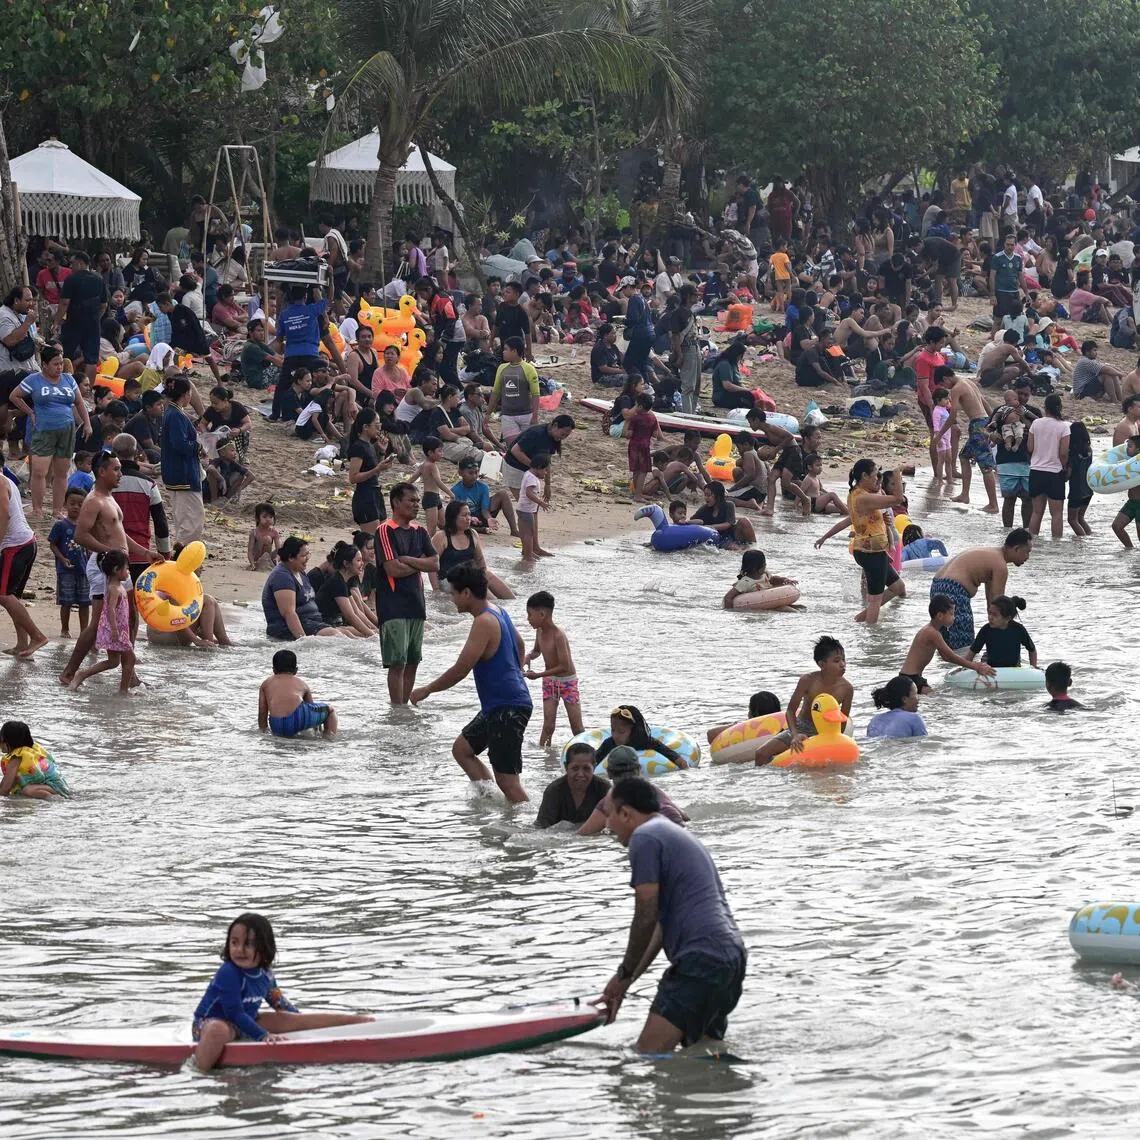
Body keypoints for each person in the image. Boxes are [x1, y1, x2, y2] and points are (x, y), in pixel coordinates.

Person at [598, 776, 746, 1053]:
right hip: (729, 958)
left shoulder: (644, 837)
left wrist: (624, 971)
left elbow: (645, 914)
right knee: (705, 1055)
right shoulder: (669, 832)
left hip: (700, 961)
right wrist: (627, 980)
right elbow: (660, 927)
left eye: (608, 815)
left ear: (626, 813)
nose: (607, 826)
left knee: (645, 1055)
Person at [410, 563, 532, 802]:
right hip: (500, 705)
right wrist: (515, 673)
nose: (452, 599)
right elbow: (520, 644)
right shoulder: (498, 610)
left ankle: (531, 827)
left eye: (454, 593)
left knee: (508, 780)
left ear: (466, 593)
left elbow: (461, 669)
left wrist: (427, 690)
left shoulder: (484, 622)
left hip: (507, 708)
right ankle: (491, 802)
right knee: (462, 750)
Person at [191, 912, 372, 1071]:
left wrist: (298, 1021)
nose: (239, 950)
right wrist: (263, 1036)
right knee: (218, 1030)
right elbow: (234, 1013)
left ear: (264, 947)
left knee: (286, 1017)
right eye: (234, 942)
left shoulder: (265, 973)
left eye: (248, 944)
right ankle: (199, 1071)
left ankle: (352, 1021)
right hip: (210, 1024)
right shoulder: (228, 972)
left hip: (245, 1020)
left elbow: (279, 1003)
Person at [10, 345, 93, 517]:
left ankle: (57, 510)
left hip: (67, 429)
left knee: (61, 473)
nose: (59, 367)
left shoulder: (68, 379)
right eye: (55, 364)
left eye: (61, 363)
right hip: (43, 429)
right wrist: (30, 412)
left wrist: (87, 423)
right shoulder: (34, 380)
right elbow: (14, 396)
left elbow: (78, 403)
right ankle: (37, 509)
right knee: (39, 471)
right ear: (45, 364)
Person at [375, 483, 439, 704]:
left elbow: (435, 563)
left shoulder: (420, 531)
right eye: (411, 501)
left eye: (417, 501)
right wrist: (421, 563)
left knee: (413, 661)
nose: (416, 505)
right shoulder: (385, 530)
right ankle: (397, 707)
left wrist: (409, 560)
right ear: (395, 503)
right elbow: (392, 568)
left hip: (416, 604)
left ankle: (402, 710)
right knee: (397, 662)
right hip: (393, 605)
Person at [754, 636, 853, 764]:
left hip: (826, 731)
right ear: (822, 664)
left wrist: (833, 740)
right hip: (802, 727)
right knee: (761, 753)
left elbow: (842, 720)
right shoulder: (808, 681)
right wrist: (795, 735)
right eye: (836, 661)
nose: (842, 664)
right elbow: (790, 711)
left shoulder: (847, 689)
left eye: (844, 660)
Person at [929, 528, 1033, 649]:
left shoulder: (992, 555)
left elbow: (992, 605)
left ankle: (944, 668)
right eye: (1027, 552)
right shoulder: (1000, 565)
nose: (1028, 557)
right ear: (1016, 549)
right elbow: (999, 609)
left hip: (937, 585)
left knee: (944, 641)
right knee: (963, 644)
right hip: (953, 590)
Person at [844, 458, 904, 625]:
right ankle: (872, 637)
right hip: (870, 553)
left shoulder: (859, 493)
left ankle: (858, 619)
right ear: (864, 476)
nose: (878, 478)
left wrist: (878, 485)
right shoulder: (862, 498)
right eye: (875, 475)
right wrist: (898, 473)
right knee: (875, 600)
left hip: (874, 551)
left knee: (898, 588)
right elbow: (898, 498)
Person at [932, 371, 1000, 513]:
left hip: (977, 426)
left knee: (986, 466)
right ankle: (965, 494)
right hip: (983, 422)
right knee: (964, 456)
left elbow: (952, 417)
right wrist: (993, 423)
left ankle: (993, 504)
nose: (946, 388)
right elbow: (985, 402)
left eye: (943, 384)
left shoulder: (957, 388)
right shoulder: (968, 382)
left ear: (945, 377)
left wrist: (938, 436)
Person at [67, 549, 134, 693]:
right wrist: (115, 630)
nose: (128, 571)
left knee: (113, 661)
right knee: (129, 658)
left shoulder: (119, 587)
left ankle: (82, 674)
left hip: (119, 630)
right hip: (115, 630)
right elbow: (110, 609)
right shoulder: (114, 589)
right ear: (117, 570)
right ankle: (123, 692)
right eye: (126, 568)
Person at [899, 593, 995, 692]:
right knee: (939, 700)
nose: (954, 617)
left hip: (913, 678)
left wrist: (964, 666)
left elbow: (945, 657)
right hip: (910, 678)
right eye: (951, 614)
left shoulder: (934, 630)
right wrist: (976, 666)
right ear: (940, 615)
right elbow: (951, 655)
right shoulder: (931, 632)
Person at [523, 590, 583, 747]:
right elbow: (537, 651)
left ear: (542, 614)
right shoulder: (539, 631)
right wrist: (528, 657)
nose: (528, 619)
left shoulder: (558, 635)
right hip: (550, 683)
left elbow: (565, 666)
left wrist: (539, 675)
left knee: (577, 729)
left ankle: (589, 756)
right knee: (548, 726)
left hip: (568, 683)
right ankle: (544, 759)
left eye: (530, 615)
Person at [0, 461, 47, 659]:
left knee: (3, 595)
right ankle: (22, 644)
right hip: (26, 543)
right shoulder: (7, 480)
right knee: (12, 596)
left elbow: (4, 515)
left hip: (15, 545)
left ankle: (37, 636)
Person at [262, 536, 346, 641]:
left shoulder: (299, 571)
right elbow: (289, 613)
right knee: (336, 636)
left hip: (312, 623)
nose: (308, 558)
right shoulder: (282, 577)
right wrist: (304, 642)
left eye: (308, 554)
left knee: (348, 632)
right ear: (291, 557)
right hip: (286, 628)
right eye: (304, 555)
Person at [432, 500, 513, 600]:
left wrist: (483, 578)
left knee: (488, 575)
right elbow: (431, 566)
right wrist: (436, 590)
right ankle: (494, 606)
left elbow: (480, 560)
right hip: (449, 581)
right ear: (453, 517)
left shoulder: (473, 534)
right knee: (486, 595)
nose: (468, 518)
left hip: (471, 577)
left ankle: (513, 605)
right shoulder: (441, 537)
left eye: (469, 515)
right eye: (464, 515)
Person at [161, 376, 205, 544]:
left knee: (185, 519)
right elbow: (180, 444)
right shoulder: (175, 415)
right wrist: (199, 447)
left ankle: (181, 555)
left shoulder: (173, 412)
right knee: (192, 521)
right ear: (186, 394)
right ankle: (182, 558)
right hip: (183, 475)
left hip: (179, 473)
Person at [257, 648, 338, 737]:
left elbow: (262, 712)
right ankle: (329, 738)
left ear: (274, 670)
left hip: (277, 724)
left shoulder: (266, 684)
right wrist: (315, 729)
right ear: (296, 670)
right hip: (298, 718)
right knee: (330, 711)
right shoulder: (302, 683)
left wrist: (263, 732)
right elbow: (311, 706)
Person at [57, 251, 108, 383]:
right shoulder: (99, 279)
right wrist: (97, 317)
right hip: (93, 323)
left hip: (74, 322)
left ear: (79, 263)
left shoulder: (71, 279)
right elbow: (104, 304)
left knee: (66, 355)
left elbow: (64, 303)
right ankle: (88, 389)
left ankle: (63, 384)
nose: (71, 267)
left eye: (72, 264)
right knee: (91, 359)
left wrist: (57, 322)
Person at [535, 743, 610, 828]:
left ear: (594, 767)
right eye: (575, 768)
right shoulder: (554, 791)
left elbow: (613, 824)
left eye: (586, 768)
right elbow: (540, 828)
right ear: (566, 767)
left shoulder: (604, 789)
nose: (581, 774)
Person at [48, 488, 91, 637]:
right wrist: (62, 559)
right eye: (72, 503)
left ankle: (84, 631)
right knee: (66, 601)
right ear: (65, 504)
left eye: (80, 504)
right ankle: (64, 629)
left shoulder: (86, 526)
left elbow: (90, 546)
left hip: (84, 569)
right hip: (65, 570)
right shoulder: (60, 525)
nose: (76, 507)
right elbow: (52, 544)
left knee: (85, 602)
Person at [502, 414, 575, 501]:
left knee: (532, 505)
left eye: (566, 436)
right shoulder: (536, 433)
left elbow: (546, 461)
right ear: (555, 425)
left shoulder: (554, 438)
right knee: (526, 503)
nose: (562, 438)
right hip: (514, 467)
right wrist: (535, 467)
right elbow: (515, 451)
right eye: (562, 434)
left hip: (529, 469)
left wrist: (547, 485)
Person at [315, 543, 379, 637]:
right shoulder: (337, 581)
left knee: (374, 633)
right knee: (363, 635)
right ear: (346, 563)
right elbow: (350, 616)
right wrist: (372, 636)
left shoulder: (344, 580)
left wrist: (374, 630)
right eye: (358, 560)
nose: (362, 564)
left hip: (336, 624)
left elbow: (356, 612)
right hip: (325, 625)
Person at [0, 720, 71, 799]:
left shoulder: (16, 757)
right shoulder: (29, 752)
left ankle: (54, 799)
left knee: (27, 790)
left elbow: (5, 790)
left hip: (55, 789)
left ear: (9, 742)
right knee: (24, 791)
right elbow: (5, 782)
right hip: (59, 787)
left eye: (1, 739)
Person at [451, 456, 519, 537]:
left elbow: (485, 510)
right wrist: (470, 518)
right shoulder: (455, 490)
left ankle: (514, 530)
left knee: (503, 494)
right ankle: (478, 530)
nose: (474, 476)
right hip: (467, 520)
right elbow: (457, 514)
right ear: (460, 473)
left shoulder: (483, 487)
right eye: (470, 473)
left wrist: (489, 519)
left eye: (476, 472)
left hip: (482, 517)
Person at [964, 595, 1038, 668]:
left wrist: (1033, 667)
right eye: (989, 613)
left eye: (995, 615)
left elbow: (1032, 649)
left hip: (1013, 667)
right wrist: (964, 668)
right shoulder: (986, 629)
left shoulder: (1018, 629)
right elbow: (972, 651)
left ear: (1007, 618)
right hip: (991, 667)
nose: (990, 617)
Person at [722, 549, 797, 609]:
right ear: (755, 569)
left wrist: (785, 580)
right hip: (758, 606)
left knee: (800, 607)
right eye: (764, 564)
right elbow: (728, 597)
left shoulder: (765, 574)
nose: (765, 566)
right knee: (790, 611)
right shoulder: (745, 582)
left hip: (770, 601)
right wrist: (730, 611)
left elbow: (773, 579)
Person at [669, 284, 702, 414]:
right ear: (688, 296)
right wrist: (680, 354)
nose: (697, 297)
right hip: (687, 349)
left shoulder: (688, 312)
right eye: (695, 295)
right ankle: (688, 416)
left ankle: (692, 413)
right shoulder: (678, 314)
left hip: (695, 348)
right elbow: (676, 336)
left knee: (696, 385)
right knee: (688, 386)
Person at [624, 393, 662, 501]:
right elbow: (655, 434)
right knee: (643, 471)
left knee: (636, 469)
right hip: (644, 446)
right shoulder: (652, 418)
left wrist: (627, 423)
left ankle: (637, 493)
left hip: (634, 446)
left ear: (640, 406)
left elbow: (628, 434)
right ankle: (638, 494)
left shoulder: (635, 419)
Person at [693, 482, 756, 547]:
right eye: (705, 495)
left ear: (718, 496)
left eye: (708, 495)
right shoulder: (704, 508)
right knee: (733, 547)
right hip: (719, 538)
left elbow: (728, 524)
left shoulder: (729, 505)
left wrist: (710, 526)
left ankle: (753, 547)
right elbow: (692, 520)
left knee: (744, 521)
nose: (705, 498)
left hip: (731, 535)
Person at [517, 453, 552, 565]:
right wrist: (541, 502)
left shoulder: (528, 475)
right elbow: (529, 493)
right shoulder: (532, 478)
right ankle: (528, 555)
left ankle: (528, 552)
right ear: (538, 467)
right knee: (529, 533)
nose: (546, 473)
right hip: (526, 510)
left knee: (524, 532)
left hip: (523, 508)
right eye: (545, 470)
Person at [1066, 420, 1094, 537]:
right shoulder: (1089, 450)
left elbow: (1069, 474)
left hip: (1076, 491)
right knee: (1081, 518)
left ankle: (1082, 542)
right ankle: (1089, 537)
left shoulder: (1072, 453)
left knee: (1072, 520)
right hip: (1088, 489)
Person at [247, 503, 280, 570]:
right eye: (264, 517)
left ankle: (273, 562)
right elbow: (250, 551)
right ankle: (259, 562)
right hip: (257, 557)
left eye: (270, 517)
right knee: (266, 538)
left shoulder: (274, 532)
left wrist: (277, 559)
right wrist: (252, 563)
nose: (268, 519)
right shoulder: (254, 533)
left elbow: (278, 550)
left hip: (268, 557)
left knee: (286, 545)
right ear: (257, 518)